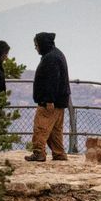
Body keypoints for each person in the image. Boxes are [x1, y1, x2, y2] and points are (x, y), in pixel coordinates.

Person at [27, 31, 70, 162]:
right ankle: (59, 154)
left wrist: (49, 100)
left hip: (50, 101)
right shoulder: (56, 54)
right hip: (60, 100)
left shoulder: (51, 58)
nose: (36, 48)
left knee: (41, 127)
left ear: (43, 44)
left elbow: (52, 80)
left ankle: (39, 153)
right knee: (55, 131)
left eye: (36, 45)